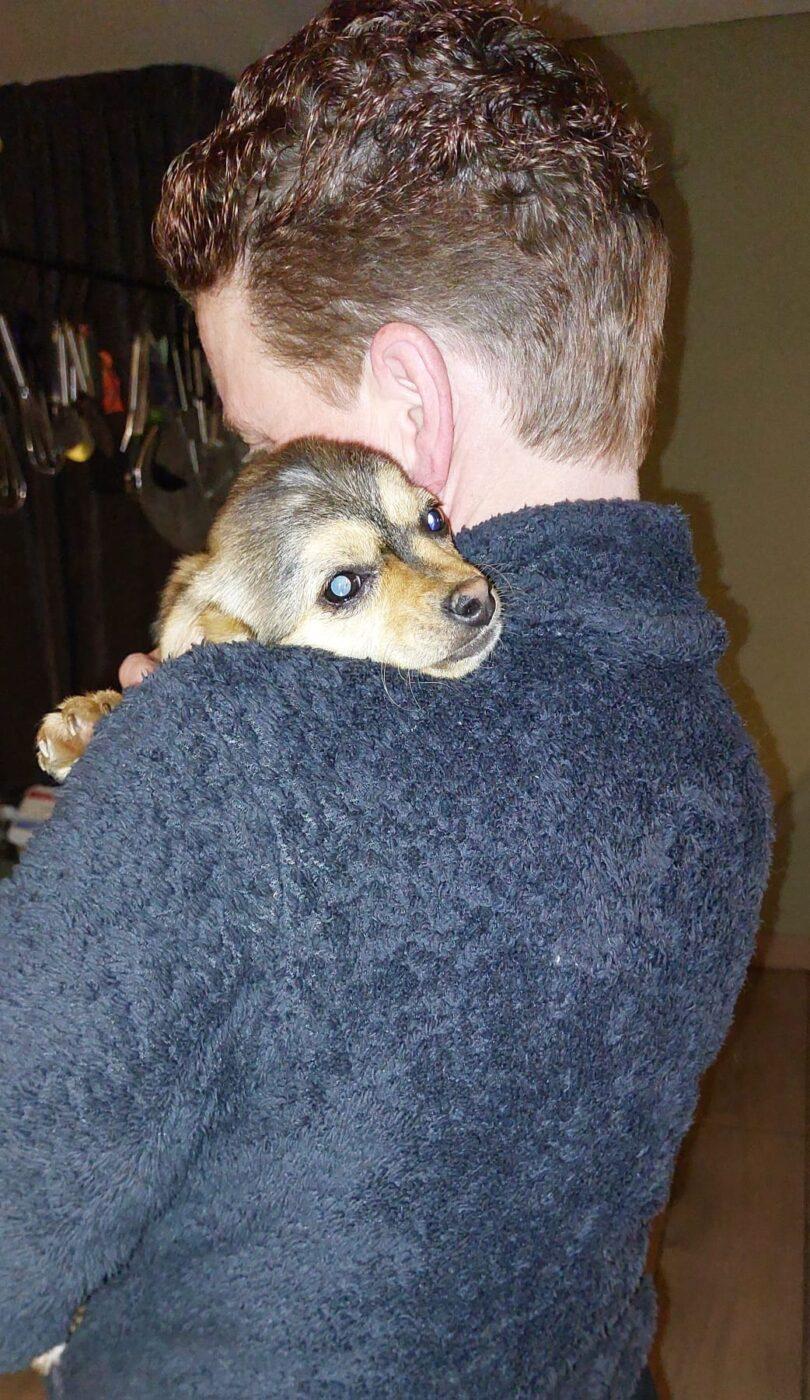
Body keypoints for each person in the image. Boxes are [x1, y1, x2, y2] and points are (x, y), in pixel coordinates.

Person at [0, 3, 772, 1396]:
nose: (252, 471)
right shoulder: (711, 748)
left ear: (408, 405)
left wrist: (146, 817)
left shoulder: (229, 754)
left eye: (261, 436)